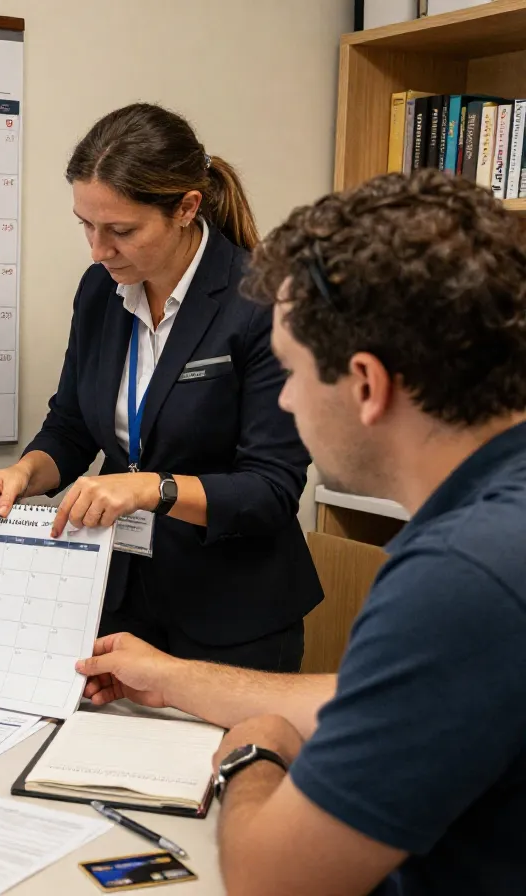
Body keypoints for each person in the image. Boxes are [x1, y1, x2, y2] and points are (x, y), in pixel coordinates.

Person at [75, 169, 526, 895]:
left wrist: (255, 755)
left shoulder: (460, 575)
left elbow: (270, 879)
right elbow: (382, 700)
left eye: (289, 372)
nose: (283, 399)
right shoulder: (498, 519)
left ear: (367, 386)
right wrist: (170, 678)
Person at [0, 103, 321, 671]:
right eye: (87, 225)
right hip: (121, 602)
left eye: (122, 231)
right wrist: (24, 474)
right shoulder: (100, 290)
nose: (98, 250)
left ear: (186, 207)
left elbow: (271, 490)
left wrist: (150, 488)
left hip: (232, 617)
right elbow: (73, 425)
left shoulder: (262, 299)